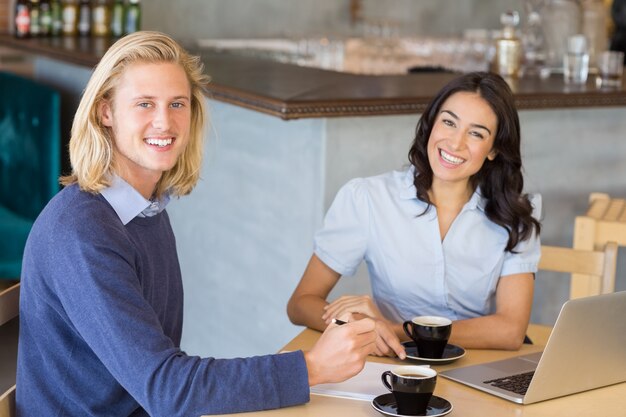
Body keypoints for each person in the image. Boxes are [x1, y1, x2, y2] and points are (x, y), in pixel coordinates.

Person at [16, 31, 379, 417]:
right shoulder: (82, 231)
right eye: (144, 104)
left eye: (177, 103)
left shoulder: (146, 209)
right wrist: (313, 367)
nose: (164, 121)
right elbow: (166, 389)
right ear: (106, 112)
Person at [287, 72, 542, 357]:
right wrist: (356, 325)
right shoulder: (368, 198)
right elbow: (301, 303)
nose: (455, 143)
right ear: (432, 123)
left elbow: (510, 331)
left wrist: (389, 330)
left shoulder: (515, 216)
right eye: (448, 122)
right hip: (393, 364)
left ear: (494, 148)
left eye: (476, 133)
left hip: (472, 366)